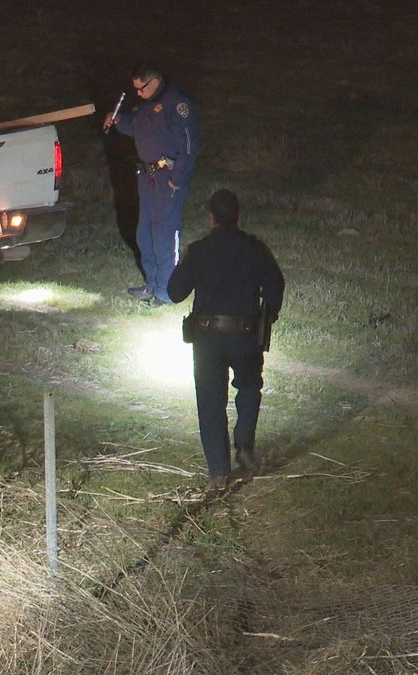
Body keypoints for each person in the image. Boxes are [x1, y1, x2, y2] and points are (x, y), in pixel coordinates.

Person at [167, 189, 284, 489]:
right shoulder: (255, 249)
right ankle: (244, 443)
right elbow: (275, 286)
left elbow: (174, 292)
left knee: (210, 402)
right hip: (245, 336)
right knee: (249, 386)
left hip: (207, 339)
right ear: (238, 216)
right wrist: (266, 316)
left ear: (211, 217)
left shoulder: (200, 250)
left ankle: (218, 471)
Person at [103, 65, 200, 306]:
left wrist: (176, 180)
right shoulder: (146, 104)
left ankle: (167, 292)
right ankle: (152, 284)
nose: (137, 93)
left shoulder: (178, 105)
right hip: (147, 178)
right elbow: (137, 128)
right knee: (145, 234)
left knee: (165, 235)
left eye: (141, 88)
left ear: (154, 81)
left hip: (168, 178)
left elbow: (189, 148)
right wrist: (118, 121)